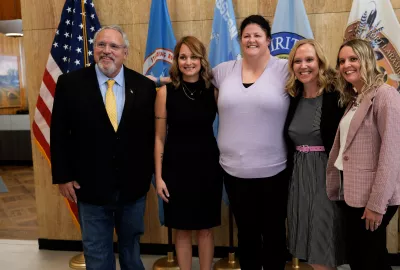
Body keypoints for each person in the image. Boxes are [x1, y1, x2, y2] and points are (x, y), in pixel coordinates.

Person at [50, 25, 157, 270]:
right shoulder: (70, 84)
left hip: (132, 189)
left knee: (131, 252)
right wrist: (63, 176)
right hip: (89, 188)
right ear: (94, 49)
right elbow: (59, 133)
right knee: (97, 255)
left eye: (114, 46)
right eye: (101, 45)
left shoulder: (144, 87)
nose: (106, 51)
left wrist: (148, 174)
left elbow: (151, 135)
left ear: (125, 52)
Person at [326, 38, 400, 270]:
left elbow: (390, 155)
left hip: (374, 196)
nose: (346, 65)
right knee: (367, 257)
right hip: (354, 192)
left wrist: (376, 204)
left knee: (366, 259)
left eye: (353, 59)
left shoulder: (386, 96)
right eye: (342, 61)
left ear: (367, 60)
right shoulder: (355, 98)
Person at [212, 15, 290, 270]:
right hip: (233, 171)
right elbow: (189, 80)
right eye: (246, 35)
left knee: (274, 234)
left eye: (257, 35)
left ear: (268, 40)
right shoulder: (224, 70)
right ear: (240, 40)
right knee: (246, 236)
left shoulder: (286, 70)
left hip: (274, 170)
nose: (251, 39)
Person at [154, 36, 222, 270]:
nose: (188, 62)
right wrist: (159, 176)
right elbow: (159, 138)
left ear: (202, 60)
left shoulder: (213, 92)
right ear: (176, 61)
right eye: (183, 57)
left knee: (205, 228)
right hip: (176, 169)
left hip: (208, 167)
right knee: (181, 230)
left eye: (193, 56)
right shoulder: (165, 92)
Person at [284, 39, 347, 270]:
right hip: (298, 179)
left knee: (323, 244)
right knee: (308, 247)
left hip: (326, 177)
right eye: (297, 61)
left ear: (320, 62)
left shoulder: (336, 96)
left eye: (309, 59)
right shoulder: (292, 97)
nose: (303, 66)